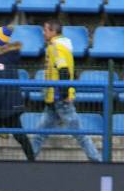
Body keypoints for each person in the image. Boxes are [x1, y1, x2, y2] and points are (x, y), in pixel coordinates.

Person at [31, 20, 102, 162]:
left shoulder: (56, 48)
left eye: (45, 30)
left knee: (80, 135)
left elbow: (64, 71)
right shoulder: (61, 46)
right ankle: (29, 159)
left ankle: (98, 162)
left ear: (53, 31)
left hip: (59, 99)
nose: (43, 33)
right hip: (53, 100)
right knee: (39, 133)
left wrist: (63, 95)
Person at [0, 26, 35, 161]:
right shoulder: (3, 58)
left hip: (3, 108)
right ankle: (32, 159)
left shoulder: (1, 61)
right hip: (6, 107)